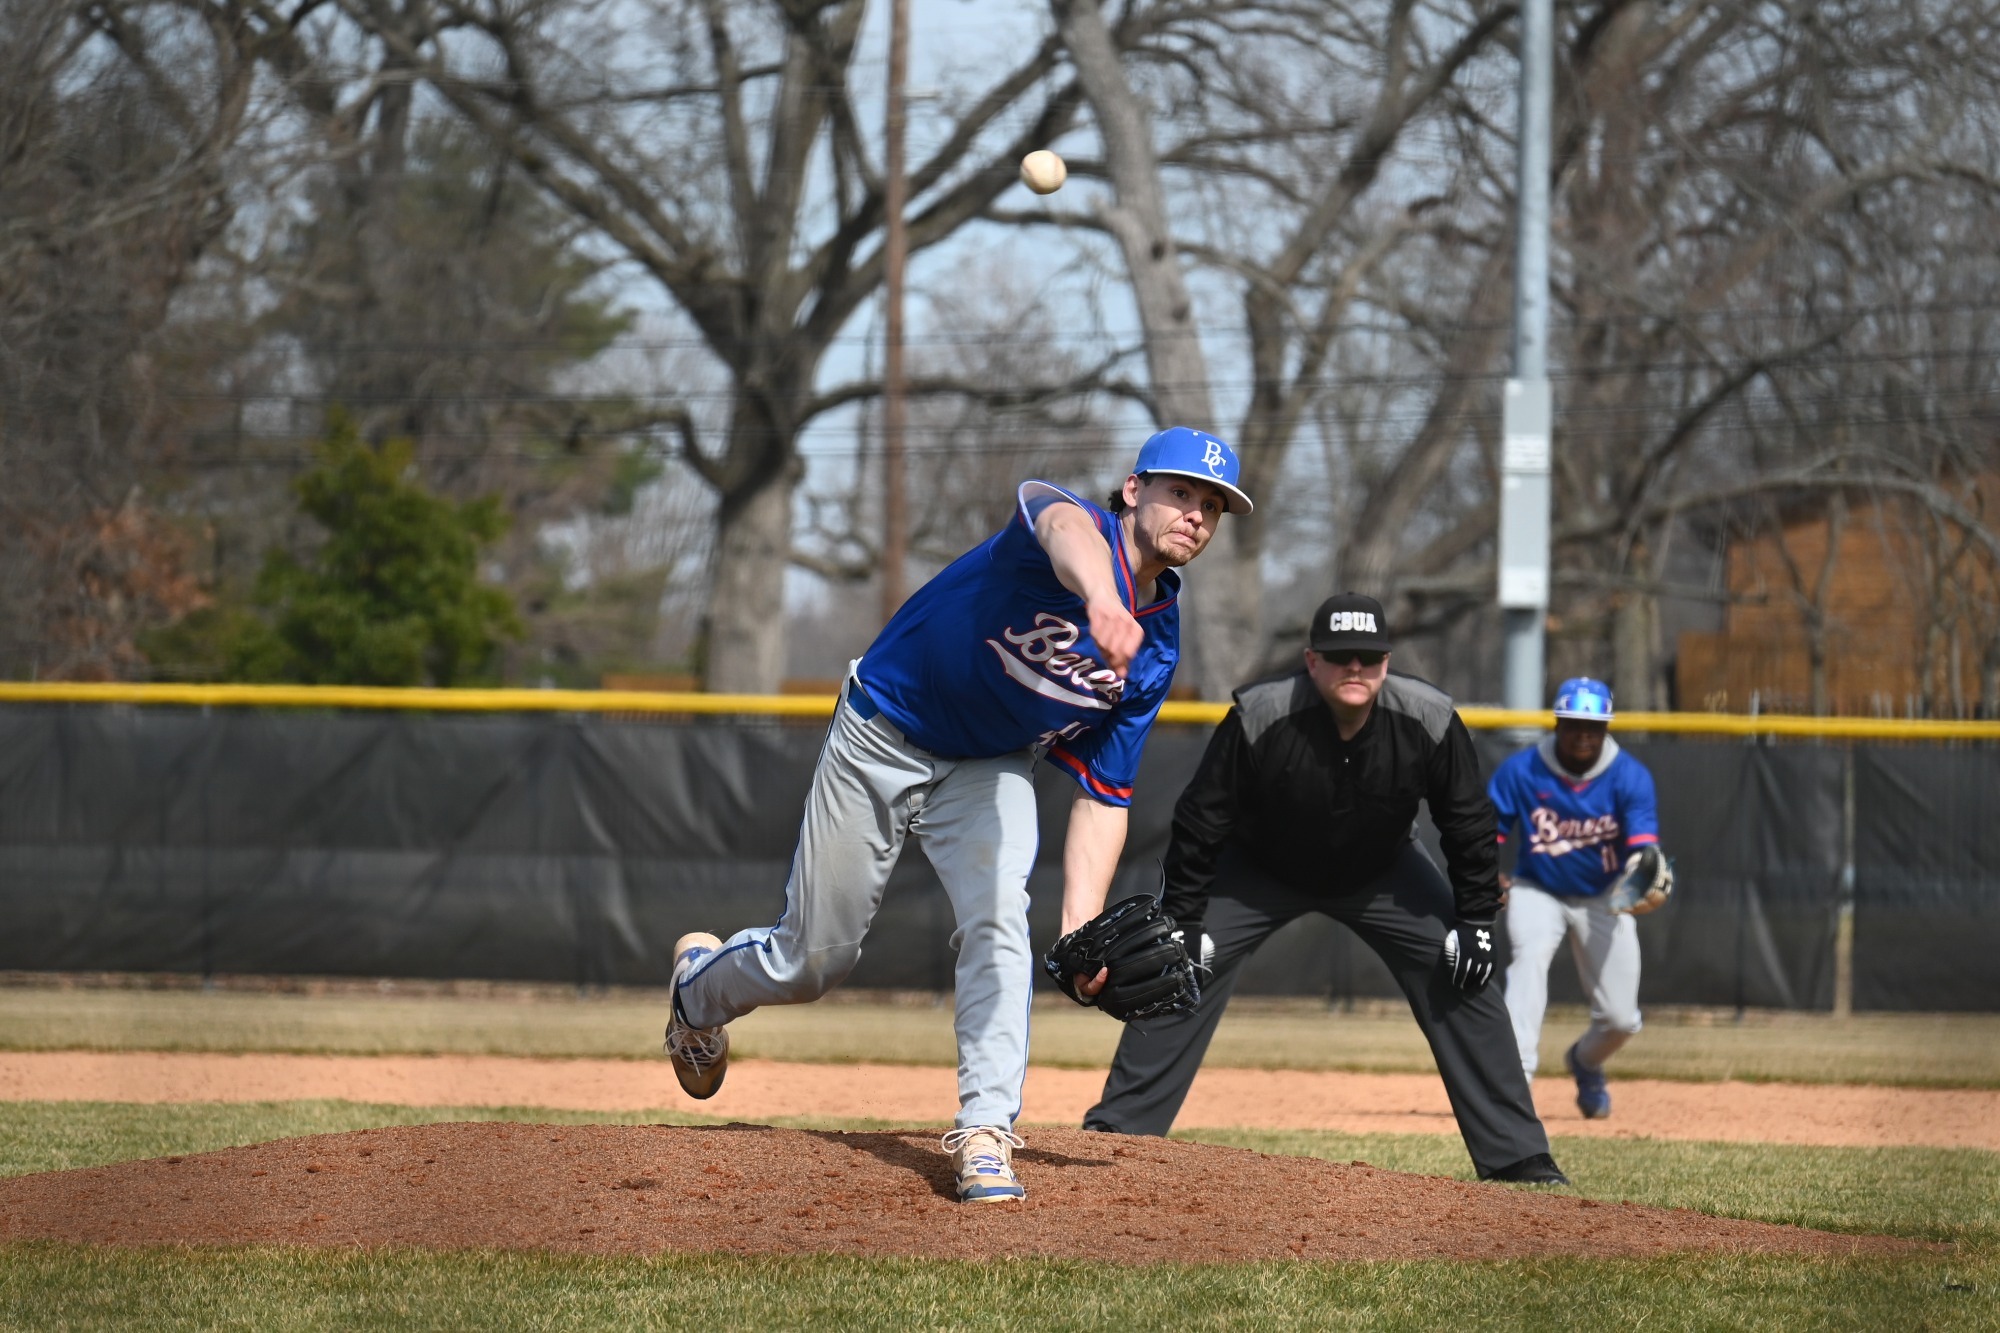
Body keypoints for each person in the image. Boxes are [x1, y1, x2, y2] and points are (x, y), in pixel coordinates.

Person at [663, 426, 1253, 1203]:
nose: (1196, 515)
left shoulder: (1156, 648)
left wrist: (1081, 932)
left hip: (990, 766)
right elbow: (1059, 525)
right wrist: (1104, 599)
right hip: (882, 730)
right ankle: (696, 996)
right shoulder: (1065, 527)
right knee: (813, 960)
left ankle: (985, 1132)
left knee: (1002, 923)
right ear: (1135, 489)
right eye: (1181, 491)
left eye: (1213, 506)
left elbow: (1105, 792)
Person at [1083, 593, 1567, 1186]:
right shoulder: (1262, 714)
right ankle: (1121, 1137)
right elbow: (1201, 820)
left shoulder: (1429, 717)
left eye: (1368, 656)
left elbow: (1467, 822)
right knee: (1172, 964)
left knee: (1463, 970)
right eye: (1341, 657)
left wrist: (1474, 923)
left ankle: (1518, 1158)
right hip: (1258, 868)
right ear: (1312, 662)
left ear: (1387, 663)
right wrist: (1184, 918)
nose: (1355, 669)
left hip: (1384, 871)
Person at [1489, 678, 1661, 1120]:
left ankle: (1585, 1062)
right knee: (1527, 963)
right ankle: (1514, 1086)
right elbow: (1486, 833)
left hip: (1604, 895)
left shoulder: (1629, 776)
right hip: (1537, 888)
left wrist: (1640, 872)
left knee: (1622, 1020)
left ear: (1606, 728)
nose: (1583, 734)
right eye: (1574, 724)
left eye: (1594, 725)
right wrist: (1485, 871)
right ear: (1557, 723)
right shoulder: (1523, 770)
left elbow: (1642, 847)